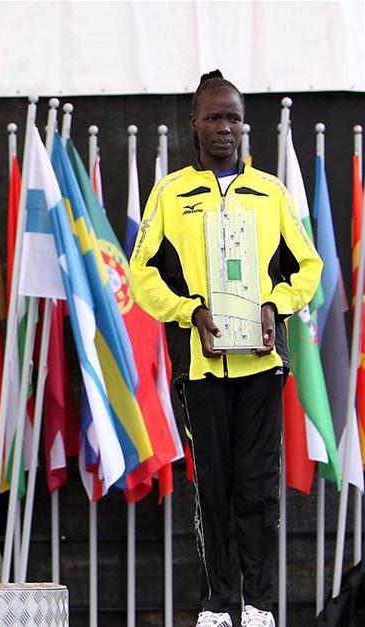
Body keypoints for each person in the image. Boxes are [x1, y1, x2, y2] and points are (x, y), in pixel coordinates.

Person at [130, 70, 322, 627]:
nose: (224, 127)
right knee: (212, 487)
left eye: (233, 117)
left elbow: (309, 265)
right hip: (202, 365)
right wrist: (188, 311)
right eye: (213, 116)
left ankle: (259, 604)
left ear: (244, 124)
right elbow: (142, 273)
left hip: (261, 364)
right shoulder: (170, 193)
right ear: (194, 122)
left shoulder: (270, 192)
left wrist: (275, 305)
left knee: (258, 487)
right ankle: (217, 604)